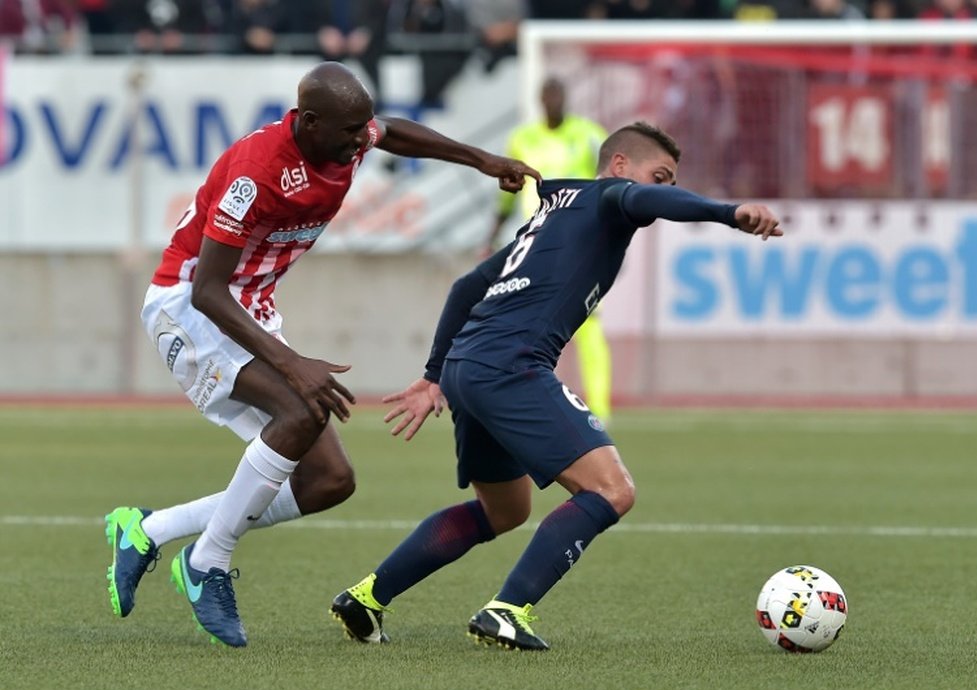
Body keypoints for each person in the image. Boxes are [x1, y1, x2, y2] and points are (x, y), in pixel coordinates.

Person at [103, 61, 539, 648]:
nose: (365, 139)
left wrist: (481, 160)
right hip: (188, 305)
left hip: (249, 308)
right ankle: (207, 563)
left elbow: (396, 131)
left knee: (330, 480)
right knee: (302, 410)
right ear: (308, 122)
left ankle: (149, 531)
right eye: (352, 130)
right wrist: (291, 362)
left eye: (365, 128)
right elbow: (207, 289)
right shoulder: (256, 173)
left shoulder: (345, 137)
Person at [329, 121, 782, 650]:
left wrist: (435, 374)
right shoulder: (611, 197)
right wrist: (728, 213)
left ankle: (367, 596)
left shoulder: (555, 214)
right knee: (613, 490)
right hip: (511, 366)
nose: (661, 191)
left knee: (505, 511)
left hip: (468, 367)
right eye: (659, 177)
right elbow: (644, 197)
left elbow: (468, 286)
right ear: (618, 166)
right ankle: (507, 610)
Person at [484, 77, 613, 423]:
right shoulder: (522, 139)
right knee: (524, 319)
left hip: (582, 241)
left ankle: (600, 407)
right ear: (540, 99)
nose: (553, 100)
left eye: (558, 93)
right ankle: (517, 396)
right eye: (548, 94)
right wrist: (492, 233)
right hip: (537, 241)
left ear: (565, 97)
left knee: (587, 322)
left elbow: (610, 180)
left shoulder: (588, 134)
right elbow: (507, 192)